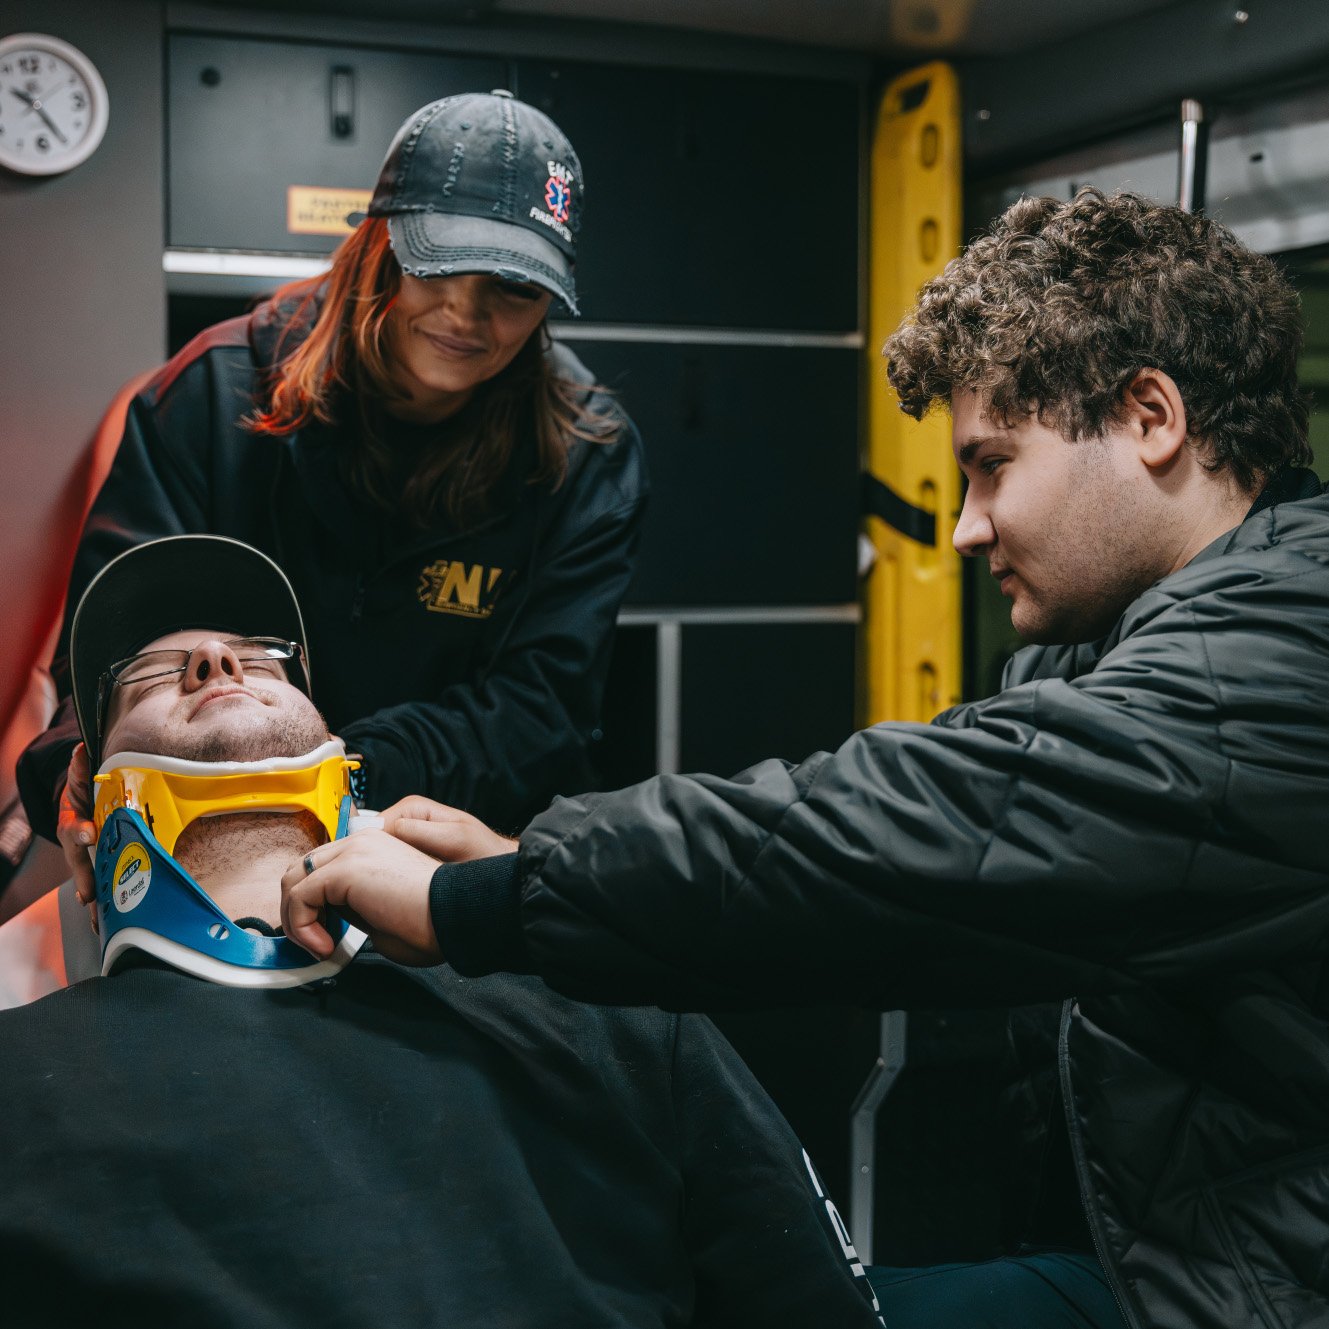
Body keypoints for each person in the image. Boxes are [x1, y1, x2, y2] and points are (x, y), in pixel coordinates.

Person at [279, 190, 1329, 1329]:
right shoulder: (1111, 654)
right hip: (1175, 1256)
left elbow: (911, 832)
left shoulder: (1287, 656)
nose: (968, 526)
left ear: (1150, 417)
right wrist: (528, 859)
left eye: (990, 464)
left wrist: (489, 902)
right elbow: (890, 876)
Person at [0, 533, 881, 1328]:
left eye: (267, 660)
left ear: (339, 751)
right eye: (151, 671)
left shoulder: (599, 995)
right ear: (82, 818)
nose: (218, 659)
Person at [15, 89, 647, 910]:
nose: (466, 311)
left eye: (511, 289)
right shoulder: (212, 396)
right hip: (204, 844)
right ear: (374, 243)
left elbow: (540, 712)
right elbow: (110, 649)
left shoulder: (586, 451)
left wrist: (337, 777)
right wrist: (72, 771)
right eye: (438, 264)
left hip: (442, 864)